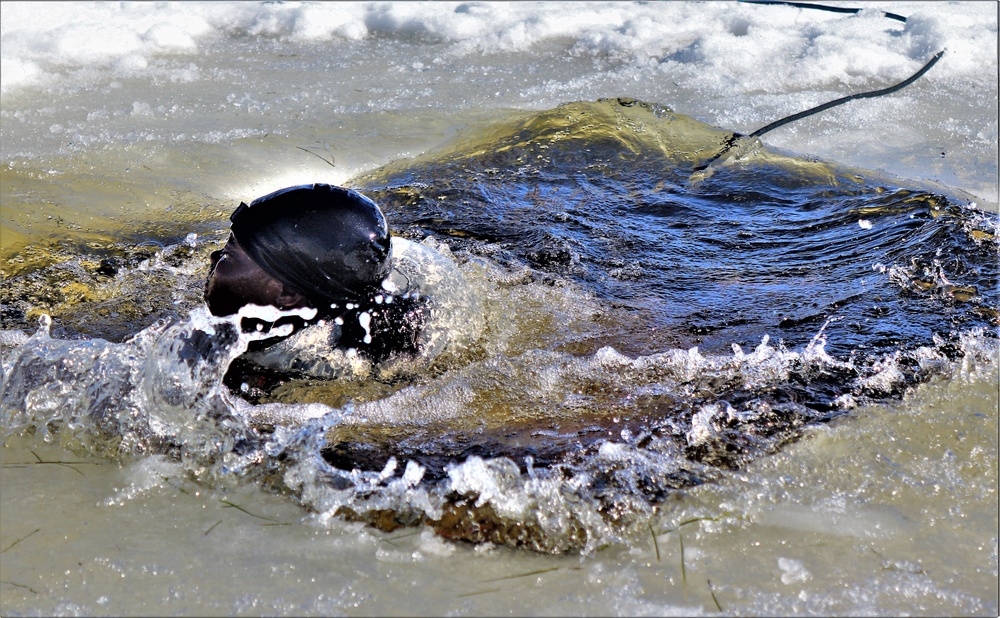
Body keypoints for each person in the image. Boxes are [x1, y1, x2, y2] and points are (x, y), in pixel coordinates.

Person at [204, 183, 482, 383]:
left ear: (287, 294)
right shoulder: (338, 293)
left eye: (229, 253)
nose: (214, 256)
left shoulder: (302, 368)